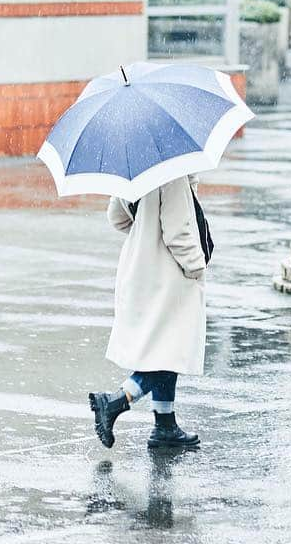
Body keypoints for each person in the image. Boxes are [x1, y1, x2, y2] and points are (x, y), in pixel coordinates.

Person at [88, 173, 208, 451]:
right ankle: (115, 402)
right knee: (171, 349)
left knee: (163, 347)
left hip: (140, 268)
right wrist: (196, 267)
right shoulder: (172, 174)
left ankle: (165, 425)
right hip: (169, 273)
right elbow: (178, 231)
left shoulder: (135, 174)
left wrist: (145, 227)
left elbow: (117, 218)